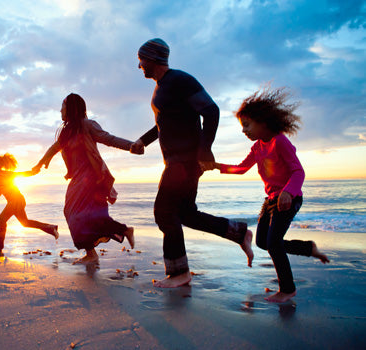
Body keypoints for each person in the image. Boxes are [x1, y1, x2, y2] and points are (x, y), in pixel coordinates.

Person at [130, 38, 253, 288]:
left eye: (141, 60)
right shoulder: (162, 87)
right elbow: (164, 123)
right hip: (177, 161)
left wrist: (204, 150)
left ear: (153, 59)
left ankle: (179, 273)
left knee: (164, 213)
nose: (139, 65)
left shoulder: (180, 80)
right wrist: (143, 140)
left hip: (184, 161)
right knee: (185, 213)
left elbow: (211, 110)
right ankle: (238, 232)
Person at [207, 87, 330, 302]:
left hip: (289, 199)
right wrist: (217, 166)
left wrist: (288, 193)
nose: (244, 130)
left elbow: (298, 171)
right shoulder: (258, 147)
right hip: (271, 200)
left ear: (263, 121)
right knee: (264, 242)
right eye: (242, 127)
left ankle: (287, 289)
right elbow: (242, 168)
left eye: (247, 125)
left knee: (274, 243)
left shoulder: (280, 142)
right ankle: (308, 247)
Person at [33, 93, 136, 265]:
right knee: (71, 213)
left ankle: (122, 231)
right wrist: (41, 163)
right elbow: (55, 147)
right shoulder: (66, 131)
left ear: (71, 108)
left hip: (92, 178)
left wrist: (131, 146)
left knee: (86, 215)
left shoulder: (87, 126)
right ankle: (94, 251)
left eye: (62, 107)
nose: (60, 111)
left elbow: (109, 139)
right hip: (77, 179)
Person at [0, 153, 59, 252]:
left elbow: (21, 174)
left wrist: (34, 171)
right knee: (25, 223)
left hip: (16, 201)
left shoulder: (5, 174)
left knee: (1, 220)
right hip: (16, 201)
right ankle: (51, 228)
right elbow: (0, 191)